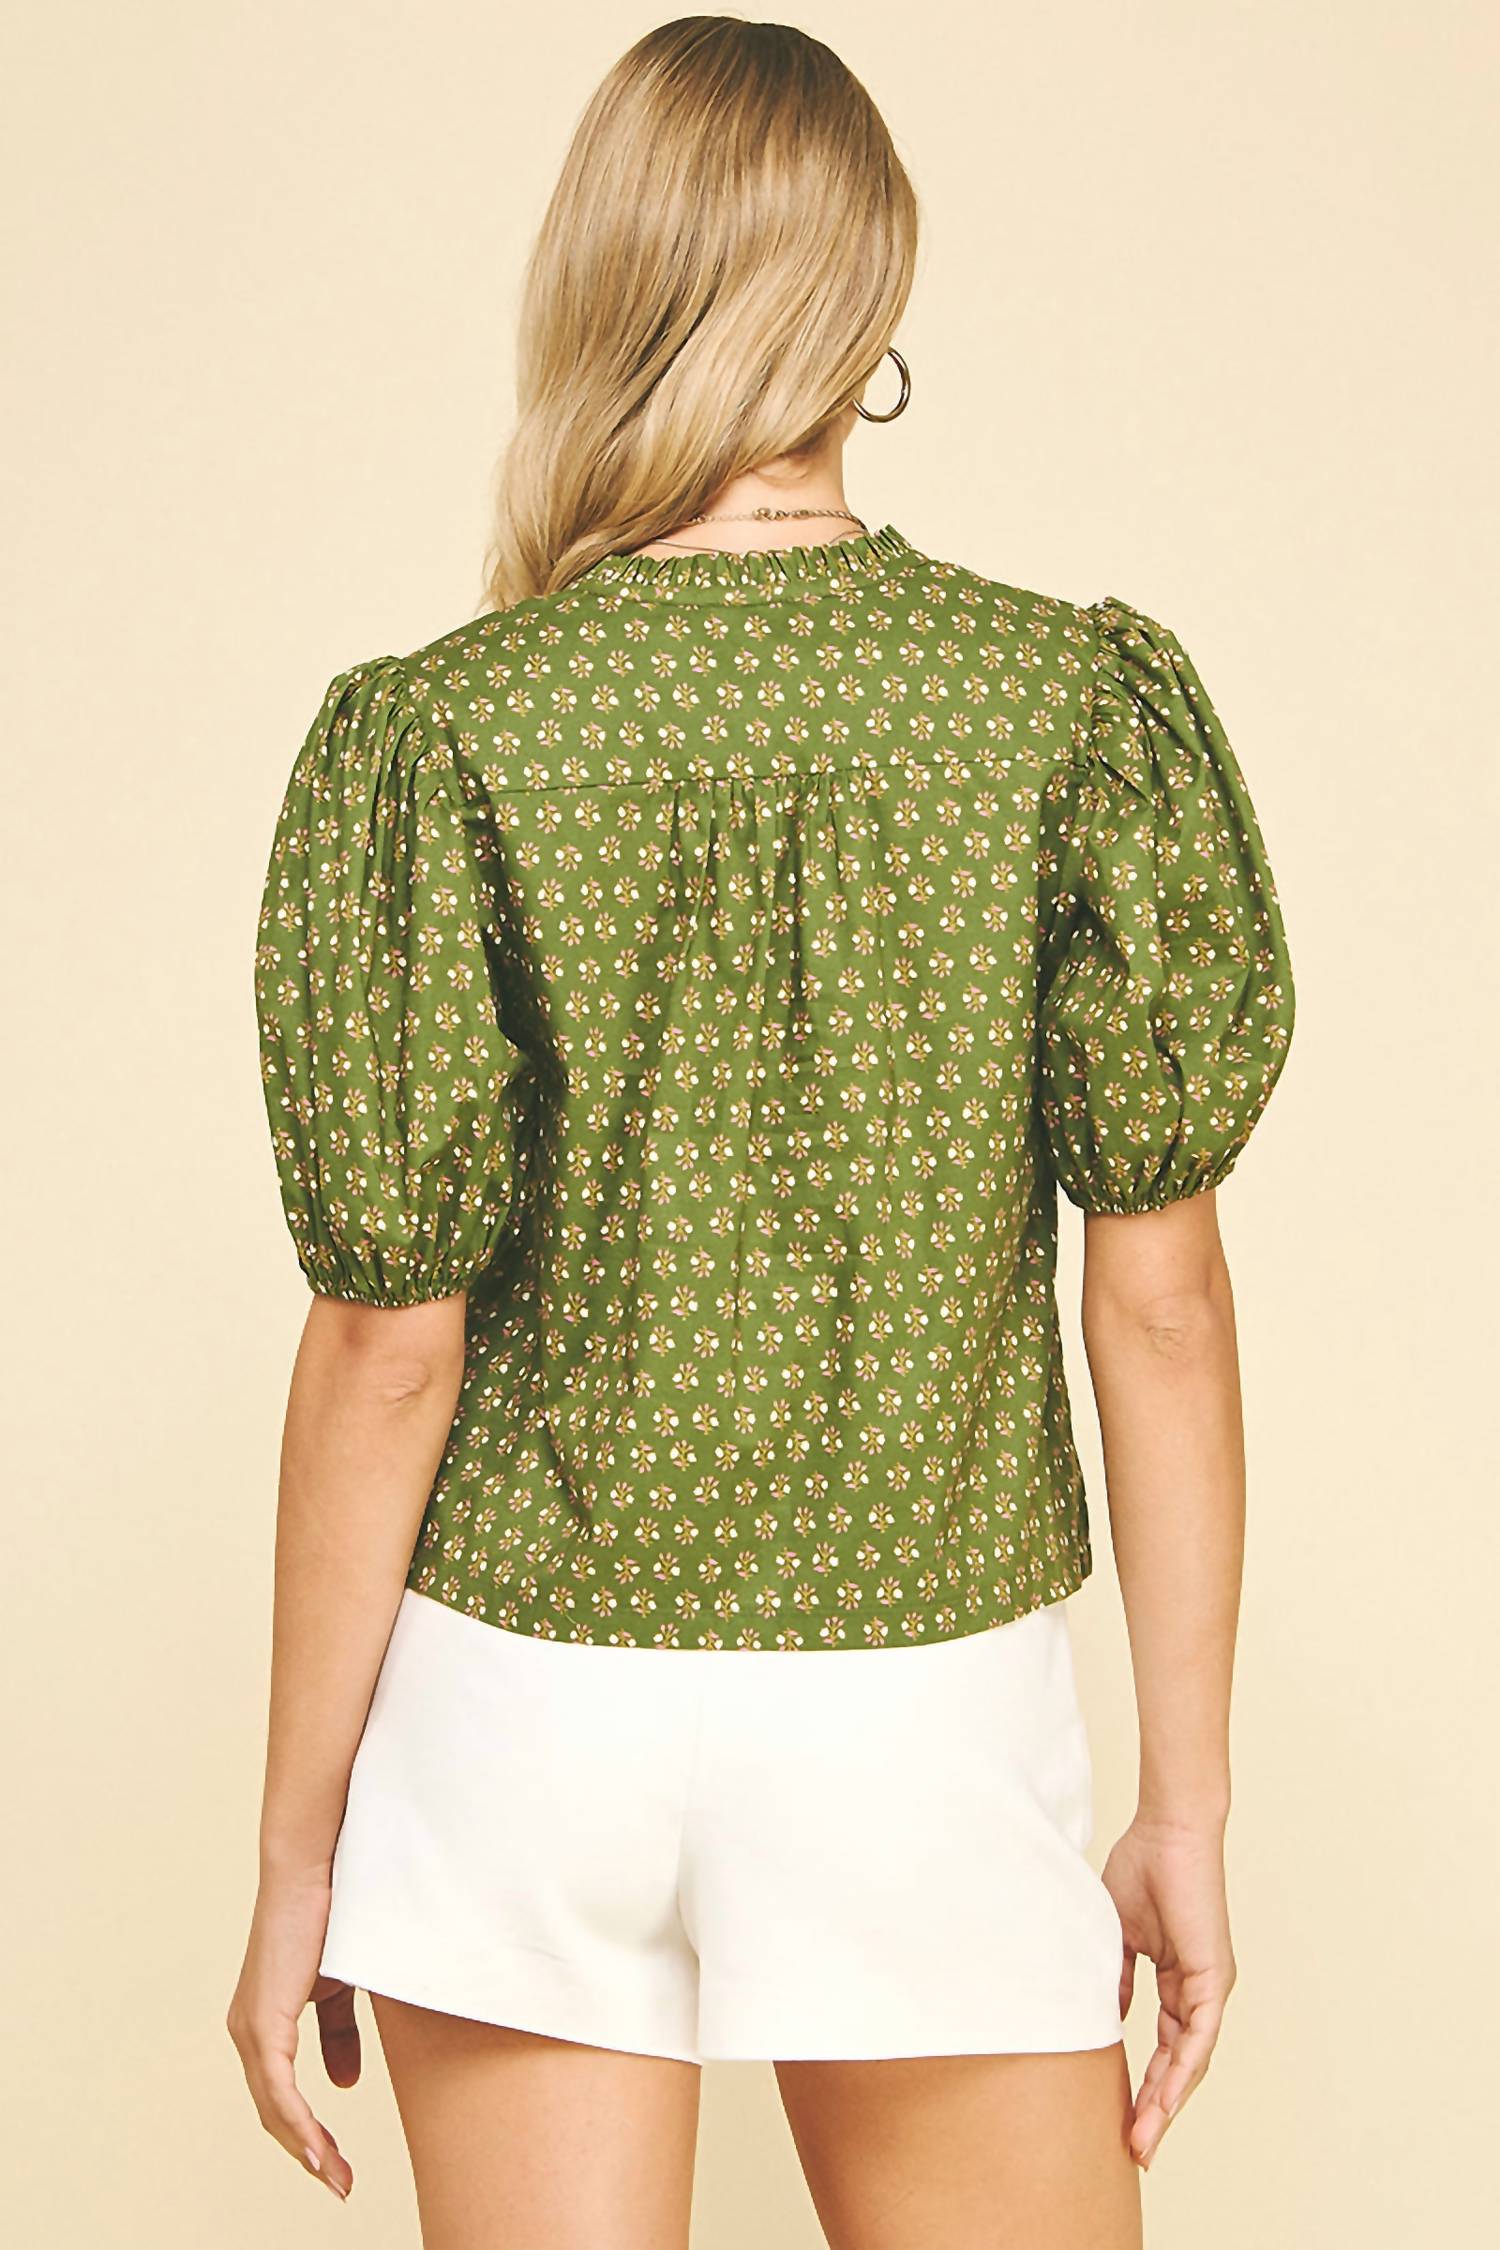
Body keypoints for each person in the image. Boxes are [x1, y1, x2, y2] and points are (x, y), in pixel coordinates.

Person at [228, 16, 1296, 2247]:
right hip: (920, 1696)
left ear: (598, 283)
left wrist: (300, 1847)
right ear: (868, 301)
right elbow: (1163, 1304)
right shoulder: (1062, 705)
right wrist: (1184, 1805)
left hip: (526, 1694)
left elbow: (387, 1348)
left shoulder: (448, 732)